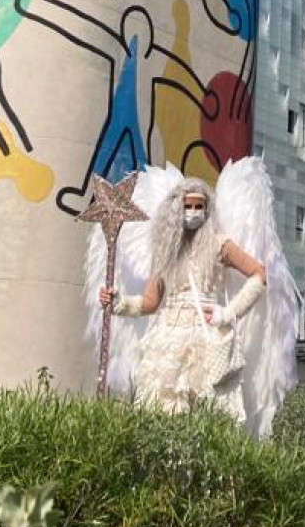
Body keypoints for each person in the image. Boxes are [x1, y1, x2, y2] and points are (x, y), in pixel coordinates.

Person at [98, 176, 266, 422]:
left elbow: (259, 275)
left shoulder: (221, 245)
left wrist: (228, 313)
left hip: (207, 334)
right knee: (163, 407)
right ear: (176, 209)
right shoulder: (165, 251)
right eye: (189, 206)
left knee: (208, 410)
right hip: (168, 337)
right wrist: (118, 303)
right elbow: (150, 302)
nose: (194, 212)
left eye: (200, 206)